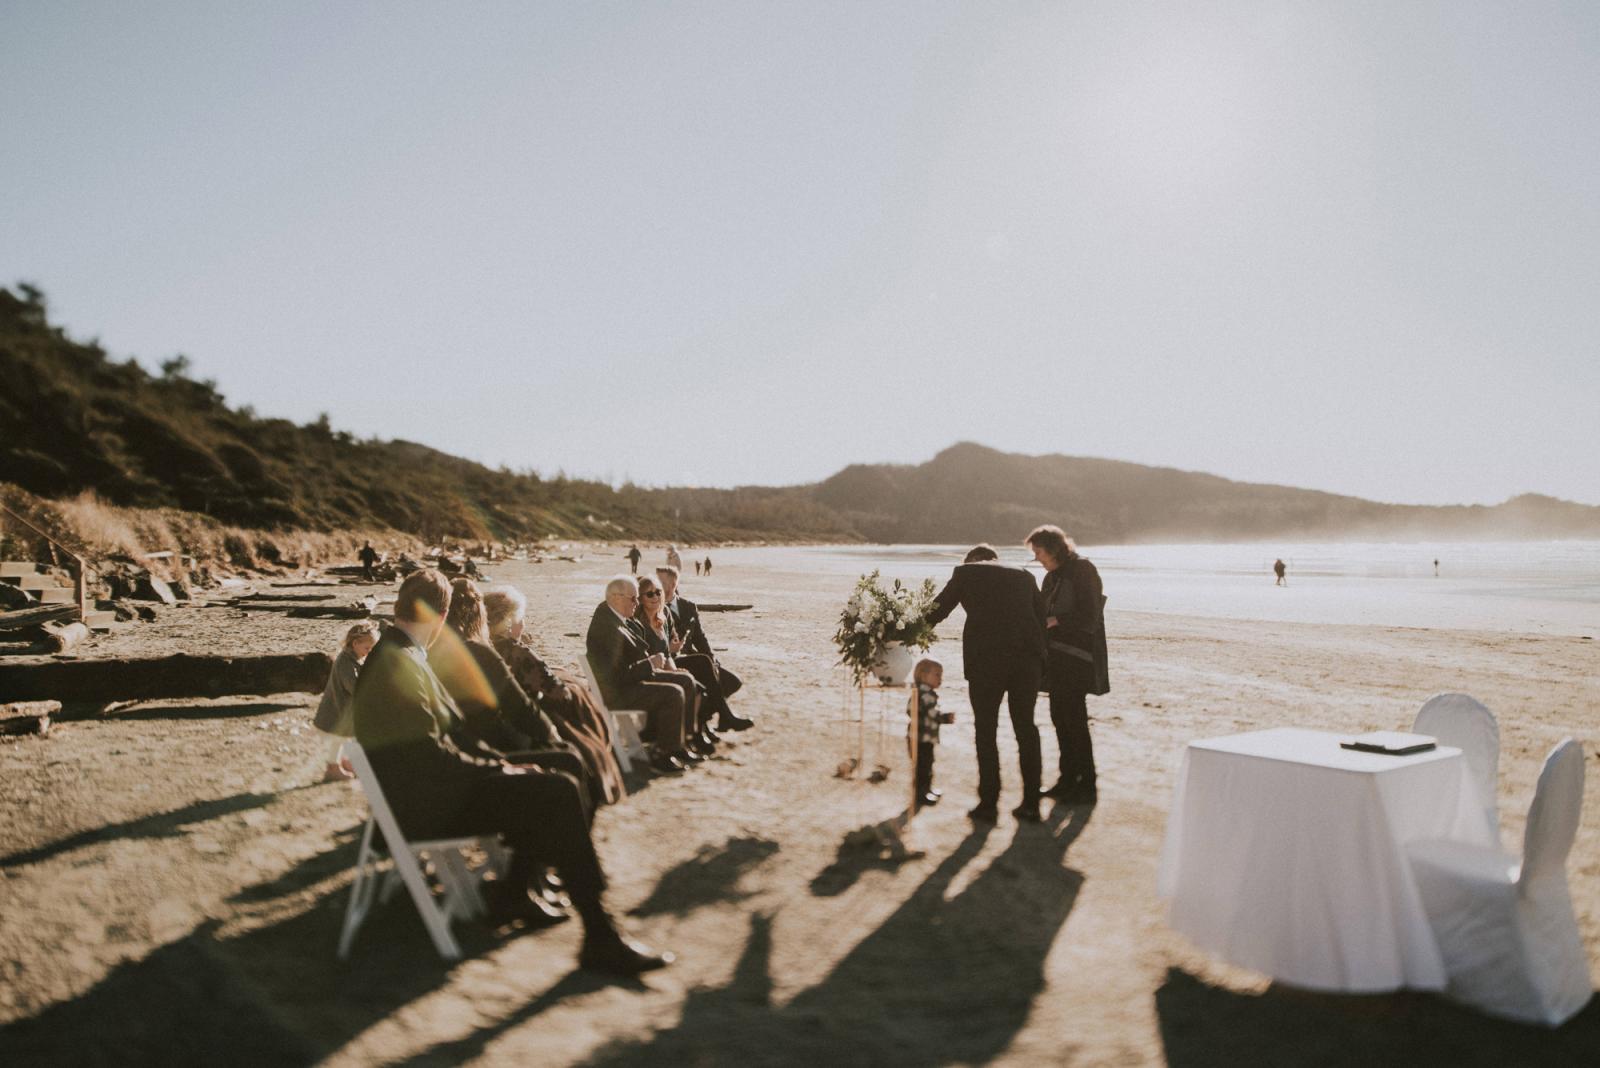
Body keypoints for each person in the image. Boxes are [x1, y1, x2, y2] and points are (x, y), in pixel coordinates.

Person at [349, 569, 670, 975]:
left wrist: (504, 764)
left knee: (567, 763)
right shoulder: (400, 664)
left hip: (433, 788)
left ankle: (518, 892)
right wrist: (501, 769)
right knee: (556, 791)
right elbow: (432, 758)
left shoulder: (403, 651)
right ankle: (598, 933)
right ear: (441, 614)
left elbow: (455, 740)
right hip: (429, 805)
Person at [926, 544, 1047, 823]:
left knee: (986, 730)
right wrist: (1042, 660)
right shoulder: (1024, 574)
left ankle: (989, 805)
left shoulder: (965, 572)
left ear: (971, 561)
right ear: (995, 560)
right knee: (1026, 728)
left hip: (986, 663)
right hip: (1026, 662)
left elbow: (937, 611)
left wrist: (900, 633)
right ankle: (1031, 804)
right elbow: (1040, 620)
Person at [483, 586, 626, 807]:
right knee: (581, 711)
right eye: (522, 619)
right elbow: (559, 693)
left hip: (497, 727)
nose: (524, 625)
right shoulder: (517, 652)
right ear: (510, 621)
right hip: (530, 726)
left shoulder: (483, 648)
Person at [1027, 525, 1108, 805]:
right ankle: (1066, 780)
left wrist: (1056, 621)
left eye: (1038, 552)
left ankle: (1086, 786)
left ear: (1053, 548)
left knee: (1075, 721)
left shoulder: (1083, 569)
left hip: (1077, 657)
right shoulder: (1052, 577)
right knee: (1060, 719)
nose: (1036, 558)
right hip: (1056, 659)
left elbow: (1091, 615)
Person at [585, 575, 696, 773]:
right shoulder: (607, 628)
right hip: (617, 693)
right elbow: (617, 676)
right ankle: (661, 752)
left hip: (628, 682)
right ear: (616, 597)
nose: (637, 603)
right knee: (673, 693)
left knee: (686, 681)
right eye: (633, 598)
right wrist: (650, 664)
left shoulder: (614, 615)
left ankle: (678, 745)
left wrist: (651, 663)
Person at [633, 573, 716, 758]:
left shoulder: (663, 617)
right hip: (648, 673)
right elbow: (644, 659)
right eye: (649, 594)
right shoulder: (638, 624)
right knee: (686, 685)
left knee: (697, 687)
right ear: (640, 598)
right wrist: (669, 670)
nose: (655, 597)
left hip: (663, 668)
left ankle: (689, 736)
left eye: (658, 592)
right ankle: (681, 741)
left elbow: (668, 654)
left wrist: (673, 668)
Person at [659, 565, 750, 731]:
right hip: (673, 661)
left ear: (673, 584)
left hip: (695, 659)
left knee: (732, 681)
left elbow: (700, 638)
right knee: (704, 686)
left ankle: (704, 719)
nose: (656, 585)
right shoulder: (653, 607)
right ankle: (708, 723)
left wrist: (712, 658)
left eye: (661, 581)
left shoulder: (688, 606)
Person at [312, 620, 381, 782]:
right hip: (336, 711)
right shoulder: (345, 662)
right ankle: (332, 768)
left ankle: (344, 762)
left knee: (346, 738)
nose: (369, 652)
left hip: (343, 711)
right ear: (355, 643)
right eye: (367, 648)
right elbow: (353, 686)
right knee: (338, 739)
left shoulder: (354, 658)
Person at [907, 656, 953, 810]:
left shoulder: (925, 693)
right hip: (920, 738)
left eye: (941, 675)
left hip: (925, 737)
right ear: (923, 675)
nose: (940, 679)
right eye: (937, 675)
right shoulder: (924, 695)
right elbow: (931, 714)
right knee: (923, 766)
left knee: (927, 764)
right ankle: (921, 793)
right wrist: (945, 718)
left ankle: (926, 789)